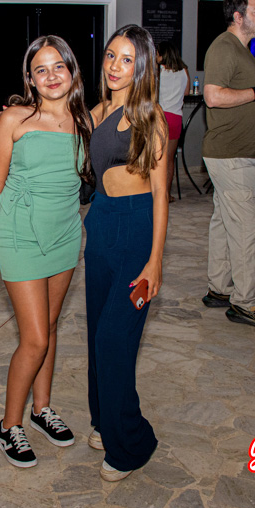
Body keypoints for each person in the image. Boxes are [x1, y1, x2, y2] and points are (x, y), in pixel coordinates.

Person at [0, 36, 91, 469]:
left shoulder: (87, 119)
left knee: (50, 325)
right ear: (30, 78)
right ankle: (9, 425)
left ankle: (41, 409)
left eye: (58, 66)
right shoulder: (13, 119)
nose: (51, 75)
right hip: (19, 235)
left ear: (72, 71)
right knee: (36, 338)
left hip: (65, 235)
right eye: (40, 69)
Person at [84, 25, 168, 482]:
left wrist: (155, 260)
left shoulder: (150, 118)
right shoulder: (95, 111)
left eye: (127, 59)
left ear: (143, 67)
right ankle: (103, 421)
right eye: (111, 56)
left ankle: (131, 443)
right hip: (100, 225)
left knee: (114, 340)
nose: (115, 66)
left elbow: (161, 194)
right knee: (97, 333)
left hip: (136, 231)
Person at [200, 0, 255, 328]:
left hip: (239, 152)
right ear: (238, 16)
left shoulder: (240, 50)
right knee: (249, 226)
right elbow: (213, 96)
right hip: (229, 154)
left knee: (224, 221)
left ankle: (220, 288)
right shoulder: (224, 47)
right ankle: (245, 302)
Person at [157, 41, 189, 202]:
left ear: (162, 55)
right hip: (176, 118)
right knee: (169, 160)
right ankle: (166, 195)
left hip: (160, 117)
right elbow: (187, 92)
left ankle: (154, 194)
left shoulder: (158, 71)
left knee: (156, 158)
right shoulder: (184, 70)